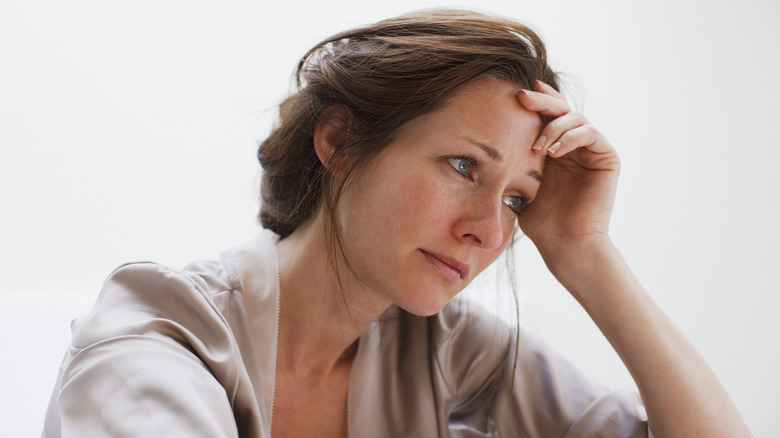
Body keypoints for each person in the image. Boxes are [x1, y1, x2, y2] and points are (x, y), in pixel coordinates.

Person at [42, 8, 751, 438]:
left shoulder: (454, 351)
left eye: (516, 200)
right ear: (340, 141)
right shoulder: (158, 333)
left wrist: (584, 251)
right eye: (464, 166)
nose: (489, 231)